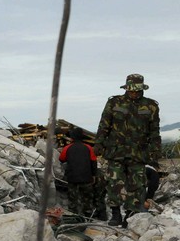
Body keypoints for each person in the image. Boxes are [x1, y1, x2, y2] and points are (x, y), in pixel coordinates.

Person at [94, 74, 161, 227]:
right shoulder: (114, 103)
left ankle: (129, 216)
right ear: (126, 88)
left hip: (138, 154)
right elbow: (104, 125)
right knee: (114, 183)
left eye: (137, 91)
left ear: (142, 89)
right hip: (115, 152)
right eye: (131, 91)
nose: (134, 94)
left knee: (136, 185)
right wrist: (99, 143)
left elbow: (154, 131)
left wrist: (155, 150)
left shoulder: (151, 106)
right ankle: (116, 214)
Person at [59, 127, 97, 218]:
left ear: (72, 137)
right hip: (86, 178)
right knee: (87, 199)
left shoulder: (67, 148)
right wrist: (94, 175)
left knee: (73, 200)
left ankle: (74, 217)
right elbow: (94, 162)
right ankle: (88, 216)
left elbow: (61, 159)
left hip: (72, 178)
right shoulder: (88, 148)